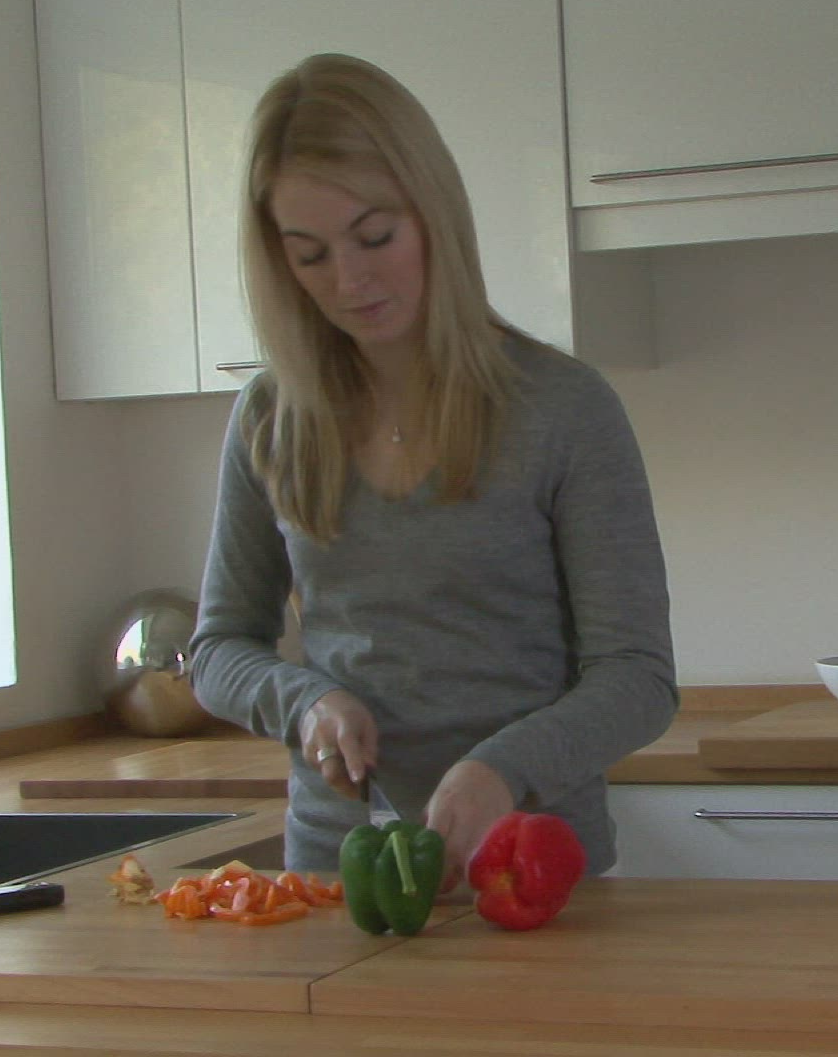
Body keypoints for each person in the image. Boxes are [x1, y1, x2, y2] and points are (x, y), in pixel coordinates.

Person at [188, 53, 677, 890]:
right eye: (310, 255)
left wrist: (502, 771)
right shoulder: (271, 418)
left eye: (375, 236)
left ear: (433, 211)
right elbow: (218, 651)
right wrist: (306, 704)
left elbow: (638, 678)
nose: (351, 280)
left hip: (531, 870)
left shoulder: (562, 409)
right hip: (339, 874)